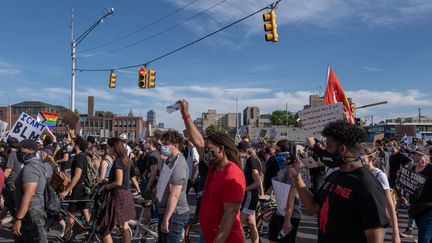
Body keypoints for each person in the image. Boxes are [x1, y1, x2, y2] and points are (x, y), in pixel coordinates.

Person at [288, 120, 388, 243]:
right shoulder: (334, 176)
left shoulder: (367, 185)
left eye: (328, 147)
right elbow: (313, 208)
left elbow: (375, 238)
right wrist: (297, 177)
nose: (325, 151)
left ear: (342, 149)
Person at [178, 98, 246, 243]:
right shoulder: (213, 167)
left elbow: (230, 213)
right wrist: (185, 114)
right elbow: (198, 142)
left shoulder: (233, 174)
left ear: (221, 149)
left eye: (209, 149)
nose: (205, 152)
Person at [360, 143, 400, 243]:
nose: (358, 157)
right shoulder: (357, 172)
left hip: (376, 221)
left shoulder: (379, 175)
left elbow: (390, 205)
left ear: (371, 158)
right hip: (359, 219)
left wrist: (395, 233)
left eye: (361, 154)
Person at [98, 138, 136, 243]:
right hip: (126, 194)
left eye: (109, 147)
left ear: (113, 147)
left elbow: (118, 182)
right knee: (124, 226)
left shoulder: (118, 161)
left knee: (105, 226)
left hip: (118, 196)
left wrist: (106, 186)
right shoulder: (126, 160)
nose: (108, 149)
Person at [157, 130, 190, 243]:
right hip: (166, 210)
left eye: (166, 144)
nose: (163, 147)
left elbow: (175, 195)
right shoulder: (170, 160)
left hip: (175, 214)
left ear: (176, 145)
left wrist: (166, 219)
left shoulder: (178, 165)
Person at [12, 139, 48, 243]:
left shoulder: (30, 168)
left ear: (32, 150)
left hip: (31, 213)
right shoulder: (37, 165)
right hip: (32, 211)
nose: (18, 151)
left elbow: (29, 194)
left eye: (21, 148)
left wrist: (19, 219)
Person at [269, 152, 302, 243]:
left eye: (289, 164)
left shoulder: (295, 177)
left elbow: (291, 197)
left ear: (295, 164)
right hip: (279, 212)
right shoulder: (283, 171)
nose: (287, 166)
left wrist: (287, 220)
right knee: (273, 238)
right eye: (286, 164)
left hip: (291, 215)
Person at [59, 137, 91, 224]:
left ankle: (67, 236)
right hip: (84, 187)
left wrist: (66, 191)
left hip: (79, 189)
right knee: (85, 210)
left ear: (77, 146)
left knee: (71, 214)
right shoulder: (83, 156)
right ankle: (91, 233)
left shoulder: (79, 157)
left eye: (72, 144)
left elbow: (77, 176)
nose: (70, 146)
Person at [238, 141, 262, 243]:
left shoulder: (252, 161)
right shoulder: (251, 159)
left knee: (238, 224)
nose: (239, 153)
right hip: (251, 194)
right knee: (252, 224)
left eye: (239, 151)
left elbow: (257, 181)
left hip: (250, 195)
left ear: (245, 151)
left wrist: (244, 189)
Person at [407, 147, 432, 243]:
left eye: (420, 155)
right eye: (415, 155)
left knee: (423, 238)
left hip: (429, 210)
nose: (416, 157)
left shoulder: (430, 168)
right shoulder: (412, 168)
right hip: (416, 209)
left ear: (426, 157)